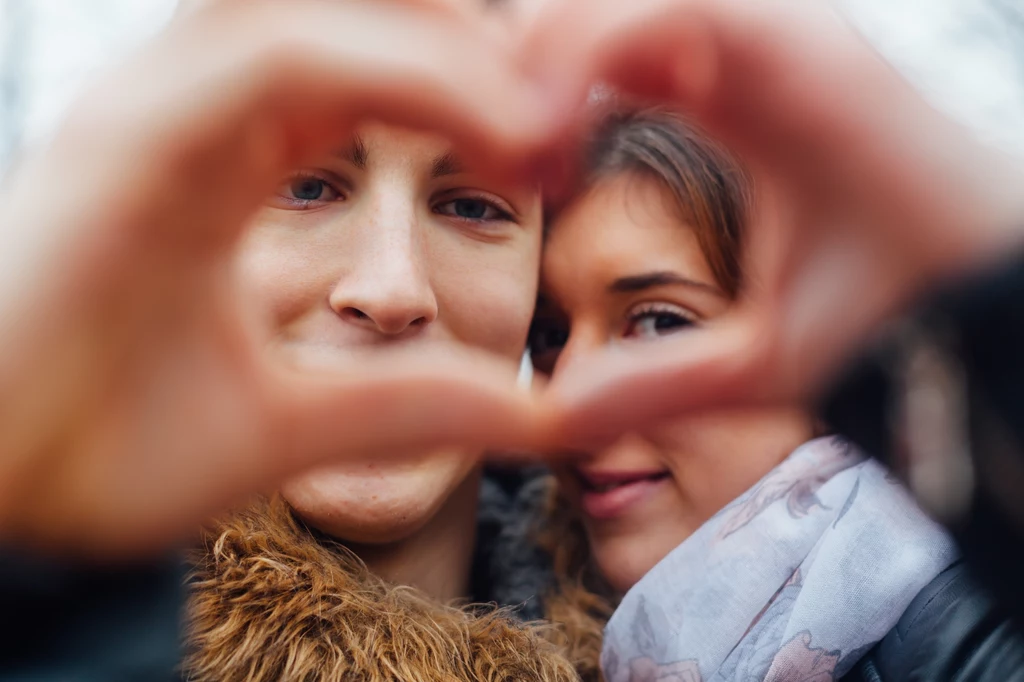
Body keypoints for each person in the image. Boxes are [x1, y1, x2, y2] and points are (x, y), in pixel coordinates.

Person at [529, 106, 968, 681]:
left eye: (661, 322)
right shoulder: (502, 599)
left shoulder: (974, 632)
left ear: (835, 348)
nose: (568, 400)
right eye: (549, 335)